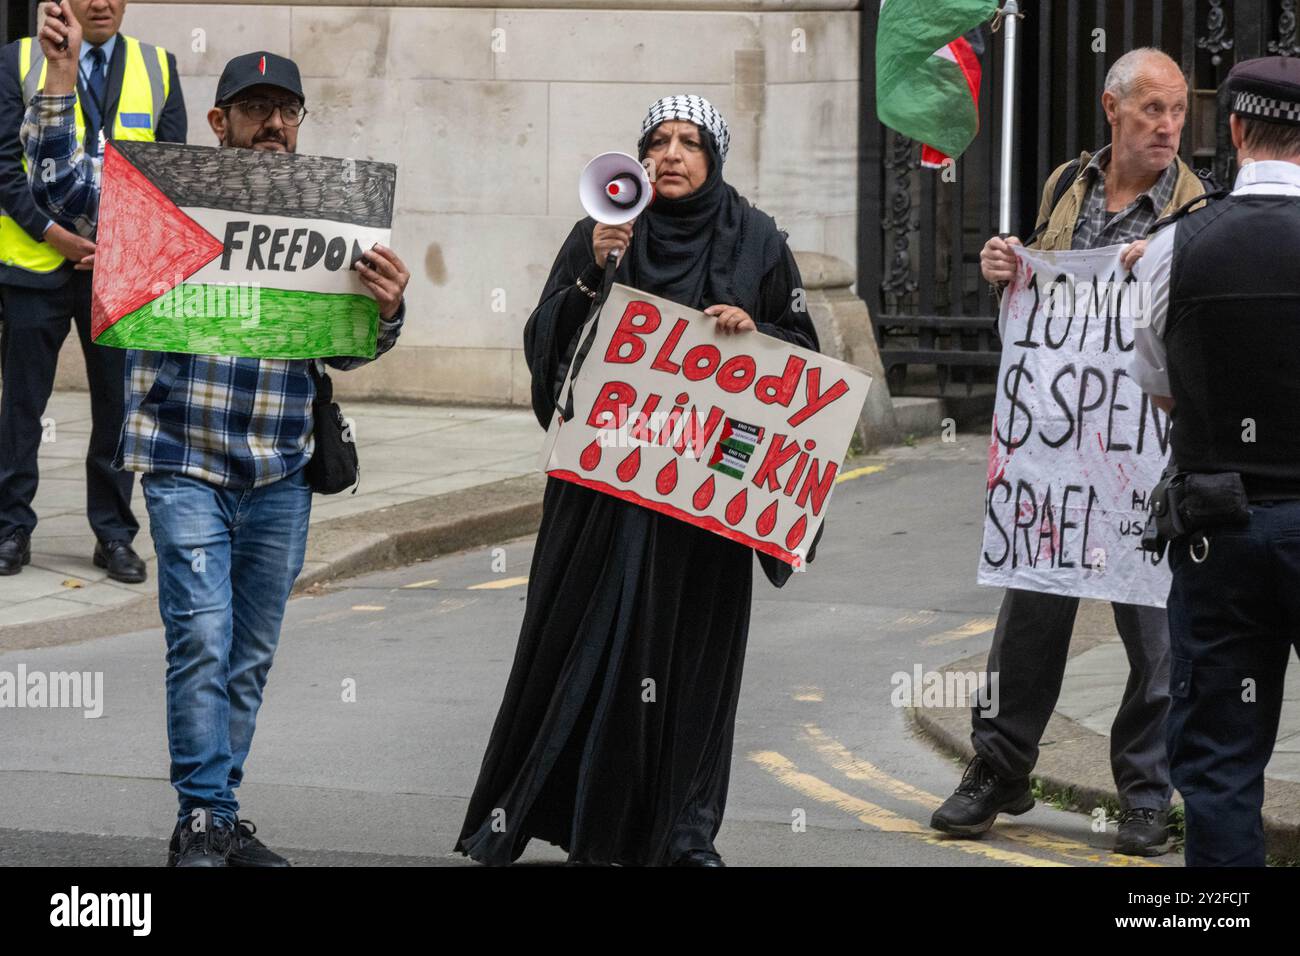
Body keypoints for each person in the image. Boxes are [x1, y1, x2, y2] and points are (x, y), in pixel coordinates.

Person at [24, 23, 411, 866]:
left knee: (249, 651)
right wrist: (58, 77)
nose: (273, 125)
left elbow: (345, 349)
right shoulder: (163, 200)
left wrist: (385, 311)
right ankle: (203, 813)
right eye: (255, 110)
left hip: (281, 468)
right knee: (200, 636)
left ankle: (216, 815)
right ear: (218, 121)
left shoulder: (331, 217)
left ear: (301, 122)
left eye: (286, 111)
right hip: (181, 459)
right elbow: (59, 182)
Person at [456, 94, 818, 867]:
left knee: (693, 665)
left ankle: (685, 835)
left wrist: (757, 334)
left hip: (703, 506)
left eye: (691, 143)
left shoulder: (757, 240)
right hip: (604, 494)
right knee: (583, 649)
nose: (673, 154)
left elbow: (802, 357)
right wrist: (592, 269)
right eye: (659, 141)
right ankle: (568, 818)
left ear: (714, 158)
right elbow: (546, 345)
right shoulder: (604, 234)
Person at [930, 48, 1206, 856]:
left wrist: (1159, 273)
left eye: (1179, 111)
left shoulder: (1197, 211)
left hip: (1143, 454)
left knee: (1152, 625)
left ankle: (1147, 795)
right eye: (1152, 109)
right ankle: (999, 766)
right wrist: (1003, 268)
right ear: (1111, 109)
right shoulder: (1064, 187)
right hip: (1057, 460)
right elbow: (1037, 310)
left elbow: (1202, 335)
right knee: (1031, 609)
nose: (1167, 126)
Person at [1130, 55, 1300, 867]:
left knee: (1221, 765)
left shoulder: (1172, 249)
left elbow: (1163, 389)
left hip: (1219, 531)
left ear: (1233, 131)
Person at [0, 0, 184, 581]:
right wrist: (53, 233)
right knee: (22, 410)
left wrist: (117, 246)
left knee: (118, 408)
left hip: (117, 272)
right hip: (34, 268)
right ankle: (10, 528)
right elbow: (5, 165)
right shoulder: (18, 60)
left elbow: (168, 174)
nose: (100, 3)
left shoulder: (159, 66)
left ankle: (113, 535)